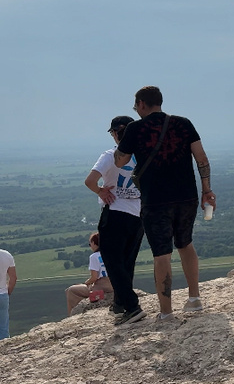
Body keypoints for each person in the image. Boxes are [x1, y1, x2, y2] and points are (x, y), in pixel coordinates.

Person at [115, 86, 214, 322]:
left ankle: (167, 312)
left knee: (162, 254)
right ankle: (194, 299)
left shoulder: (135, 128)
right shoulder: (183, 123)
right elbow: (201, 158)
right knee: (186, 244)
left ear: (141, 104)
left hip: (156, 200)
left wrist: (120, 141)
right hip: (187, 195)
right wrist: (207, 190)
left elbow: (120, 162)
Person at [84, 115, 144, 321]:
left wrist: (101, 191)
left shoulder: (110, 155)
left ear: (117, 134)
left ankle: (132, 306)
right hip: (139, 215)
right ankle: (119, 303)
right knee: (127, 261)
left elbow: (90, 181)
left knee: (112, 261)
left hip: (115, 212)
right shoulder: (144, 154)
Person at [65, 233, 113, 315]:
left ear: (94, 243)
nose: (90, 246)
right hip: (113, 287)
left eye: (90, 244)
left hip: (101, 290)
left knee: (70, 290)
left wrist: (86, 283)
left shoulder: (94, 256)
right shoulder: (111, 253)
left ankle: (72, 315)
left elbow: (94, 278)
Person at [0, 248, 14, 339]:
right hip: (3, 294)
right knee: (4, 328)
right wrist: (7, 292)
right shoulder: (6, 255)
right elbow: (13, 277)